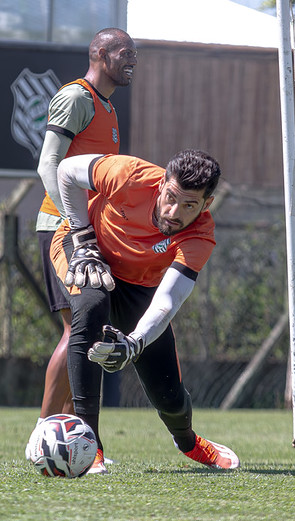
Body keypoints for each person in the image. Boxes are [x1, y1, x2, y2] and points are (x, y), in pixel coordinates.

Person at [50, 149, 240, 474]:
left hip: (139, 284)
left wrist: (135, 342)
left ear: (206, 205)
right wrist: (83, 239)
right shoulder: (129, 174)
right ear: (163, 182)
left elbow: (168, 300)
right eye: (170, 197)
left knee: (168, 393)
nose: (173, 212)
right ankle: (89, 443)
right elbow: (66, 170)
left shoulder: (200, 235)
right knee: (91, 307)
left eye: (189, 205)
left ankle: (188, 441)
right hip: (84, 248)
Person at [34, 28, 137, 423]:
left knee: (86, 330)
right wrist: (78, 227)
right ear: (99, 53)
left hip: (85, 232)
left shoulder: (108, 108)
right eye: (125, 53)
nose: (132, 61)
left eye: (135, 55)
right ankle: (44, 433)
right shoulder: (76, 97)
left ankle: (70, 436)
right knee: (77, 329)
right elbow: (48, 164)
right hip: (63, 229)